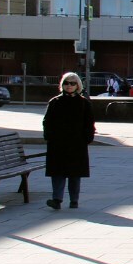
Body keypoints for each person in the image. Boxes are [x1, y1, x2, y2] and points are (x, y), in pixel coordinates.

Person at [43, 72, 95, 210]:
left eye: (73, 83)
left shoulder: (83, 103)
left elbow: (89, 123)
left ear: (78, 85)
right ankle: (57, 199)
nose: (69, 86)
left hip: (77, 143)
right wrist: (49, 136)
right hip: (57, 143)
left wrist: (87, 138)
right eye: (66, 83)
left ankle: (74, 200)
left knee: (75, 173)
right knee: (57, 173)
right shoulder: (55, 102)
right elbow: (47, 121)